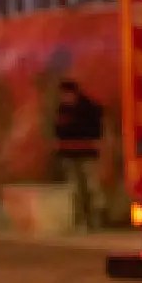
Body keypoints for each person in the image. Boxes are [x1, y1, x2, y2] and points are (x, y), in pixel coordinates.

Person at [53, 80, 105, 231]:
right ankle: (81, 221)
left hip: (87, 154)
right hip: (70, 155)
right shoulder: (63, 109)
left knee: (91, 187)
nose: (64, 98)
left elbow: (96, 128)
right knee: (76, 190)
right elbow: (58, 129)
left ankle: (95, 220)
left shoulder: (88, 108)